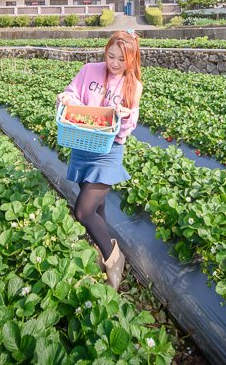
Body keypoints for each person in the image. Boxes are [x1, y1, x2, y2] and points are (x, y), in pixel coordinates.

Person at [57, 29, 142, 290]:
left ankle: (113, 257)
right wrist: (66, 98)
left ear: (131, 60)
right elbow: (73, 94)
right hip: (83, 145)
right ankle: (100, 250)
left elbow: (128, 128)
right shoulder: (89, 70)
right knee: (98, 209)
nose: (114, 63)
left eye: (121, 59)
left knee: (83, 211)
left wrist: (125, 116)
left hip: (108, 152)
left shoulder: (133, 86)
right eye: (110, 56)